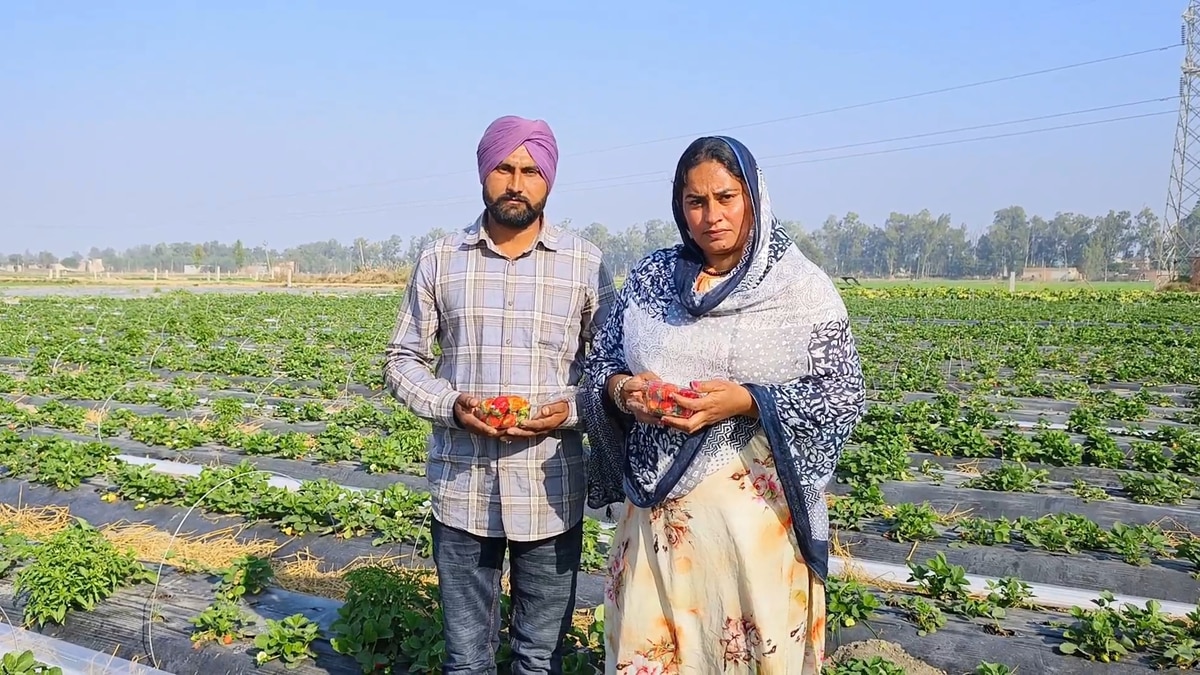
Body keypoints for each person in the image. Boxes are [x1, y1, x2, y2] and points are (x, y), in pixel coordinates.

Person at [581, 136, 866, 674]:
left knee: (743, 656)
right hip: (657, 522)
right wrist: (625, 392)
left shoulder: (799, 288)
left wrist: (747, 400)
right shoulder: (649, 279)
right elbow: (600, 364)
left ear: (754, 197)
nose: (712, 215)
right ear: (679, 207)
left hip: (754, 527)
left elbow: (842, 392)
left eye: (726, 197)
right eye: (696, 202)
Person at [384, 115, 616, 675]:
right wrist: (451, 406)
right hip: (462, 488)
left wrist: (574, 409)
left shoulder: (586, 264)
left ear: (549, 180)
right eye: (505, 168)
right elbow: (402, 359)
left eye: (531, 171)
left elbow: (612, 371)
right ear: (485, 172)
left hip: (550, 492)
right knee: (466, 659)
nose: (517, 182)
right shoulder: (441, 259)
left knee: (539, 656)